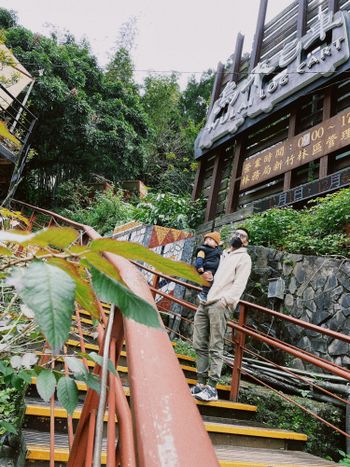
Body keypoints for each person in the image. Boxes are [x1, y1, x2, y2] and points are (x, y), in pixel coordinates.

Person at [191, 228, 252, 402]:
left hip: (220, 304)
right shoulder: (222, 254)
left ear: (246, 241)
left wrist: (226, 301)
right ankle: (200, 383)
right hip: (205, 301)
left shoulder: (244, 258)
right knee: (198, 343)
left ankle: (212, 387)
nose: (237, 237)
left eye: (242, 236)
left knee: (215, 345)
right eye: (235, 233)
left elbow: (240, 284)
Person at [194, 231, 222, 304]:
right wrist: (199, 266)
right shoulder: (203, 249)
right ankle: (203, 294)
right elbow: (199, 258)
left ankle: (209, 294)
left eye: (210, 239)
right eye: (206, 239)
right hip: (207, 268)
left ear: (216, 244)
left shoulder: (217, 250)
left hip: (215, 269)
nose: (207, 240)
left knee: (214, 282)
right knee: (208, 279)